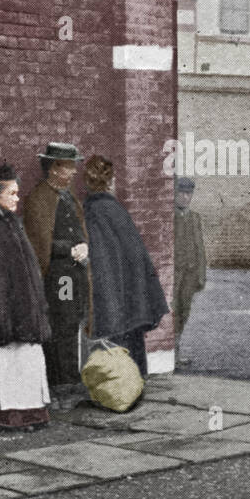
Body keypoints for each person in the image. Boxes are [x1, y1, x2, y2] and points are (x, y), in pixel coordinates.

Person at [0, 164, 52, 431]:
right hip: (5, 306)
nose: (17, 198)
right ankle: (10, 414)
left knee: (27, 358)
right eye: (12, 194)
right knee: (7, 360)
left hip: (25, 304)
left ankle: (32, 412)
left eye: (18, 193)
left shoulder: (13, 223)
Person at [82, 155, 170, 379]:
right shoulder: (117, 210)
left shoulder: (93, 212)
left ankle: (124, 386)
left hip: (115, 296)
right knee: (133, 343)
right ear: (110, 182)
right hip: (133, 294)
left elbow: (102, 259)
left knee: (117, 346)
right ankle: (136, 381)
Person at [22, 142, 92, 408]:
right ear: (53, 169)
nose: (74, 171)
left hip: (73, 274)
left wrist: (84, 245)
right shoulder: (40, 198)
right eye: (69, 166)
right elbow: (38, 242)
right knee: (61, 326)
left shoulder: (66, 196)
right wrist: (69, 249)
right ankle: (61, 387)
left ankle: (71, 382)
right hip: (58, 276)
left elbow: (78, 229)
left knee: (71, 324)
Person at [172, 176, 207, 366]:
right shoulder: (170, 217)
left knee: (185, 312)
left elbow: (200, 248)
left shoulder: (194, 218)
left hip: (190, 274)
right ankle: (171, 355)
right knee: (173, 313)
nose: (185, 198)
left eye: (189, 193)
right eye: (182, 193)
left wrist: (201, 275)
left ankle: (177, 352)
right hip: (175, 274)